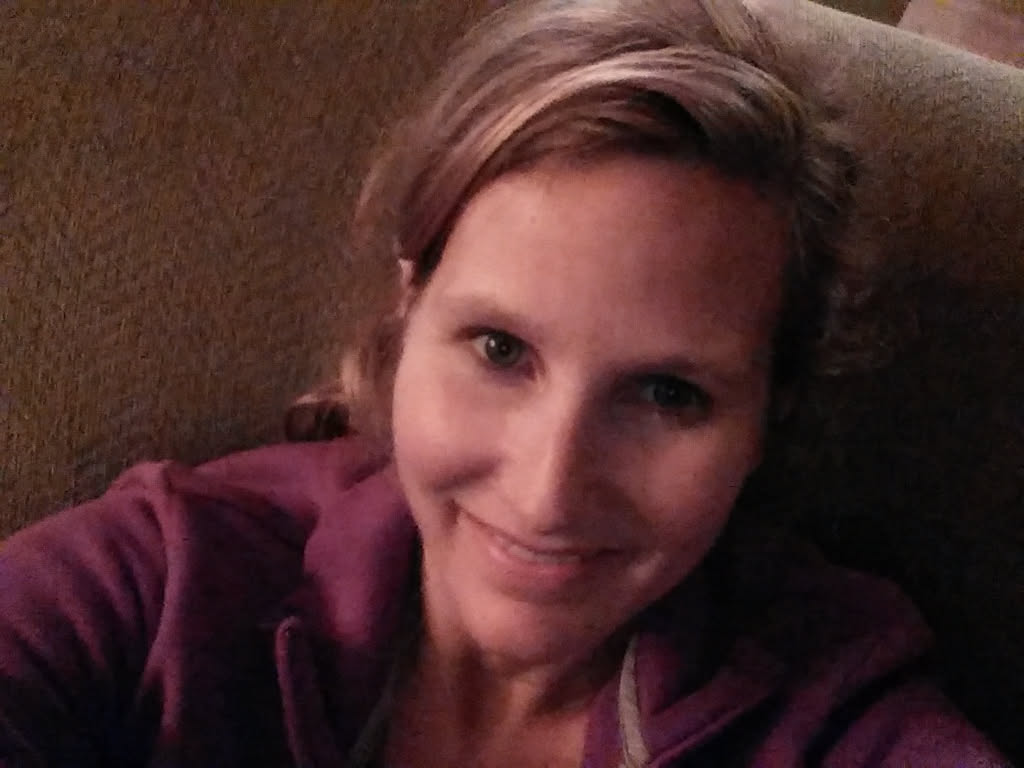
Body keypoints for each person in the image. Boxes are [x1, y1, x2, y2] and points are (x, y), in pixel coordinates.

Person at [0, 0, 1010, 766]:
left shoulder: (830, 703)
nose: (548, 490)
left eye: (668, 395)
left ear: (767, 415)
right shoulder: (166, 584)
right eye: (498, 349)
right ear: (411, 306)